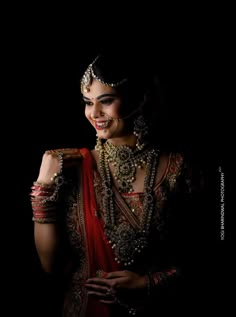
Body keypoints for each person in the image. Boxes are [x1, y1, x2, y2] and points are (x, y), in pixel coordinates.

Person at [30, 53, 204, 316]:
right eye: (88, 103)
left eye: (106, 101)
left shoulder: (179, 169)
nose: (94, 114)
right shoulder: (72, 167)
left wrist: (148, 283)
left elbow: (208, 252)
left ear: (139, 98)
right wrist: (44, 186)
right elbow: (50, 266)